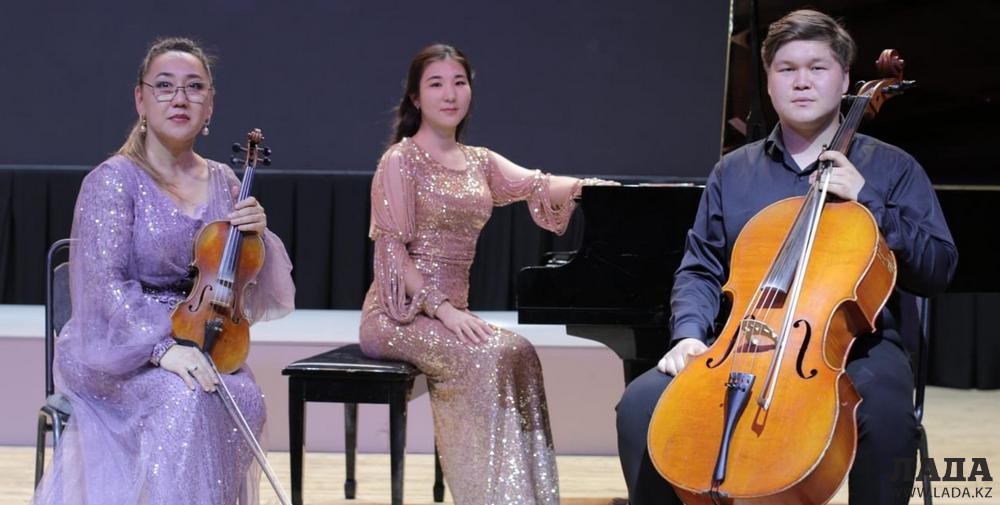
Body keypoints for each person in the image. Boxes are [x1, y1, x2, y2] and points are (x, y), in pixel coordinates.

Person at [616, 9, 956, 505]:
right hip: (743, 341)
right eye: (786, 69)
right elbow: (701, 268)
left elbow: (938, 269)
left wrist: (869, 202)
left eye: (817, 68)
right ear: (769, 83)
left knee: (888, 420)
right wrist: (688, 334)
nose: (801, 81)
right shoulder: (733, 171)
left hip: (855, 347)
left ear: (845, 80)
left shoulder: (892, 169)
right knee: (641, 405)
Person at [33, 37, 295, 505]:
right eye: (165, 86)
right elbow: (105, 287)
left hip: (197, 338)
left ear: (210, 104)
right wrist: (160, 349)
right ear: (141, 99)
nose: (180, 98)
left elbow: (243, 287)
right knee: (184, 399)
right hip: (117, 346)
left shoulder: (224, 179)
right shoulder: (113, 181)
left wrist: (258, 234)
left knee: (245, 399)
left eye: (194, 87)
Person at [359, 43, 611, 504]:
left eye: (459, 82)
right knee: (487, 357)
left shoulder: (479, 161)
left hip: (450, 314)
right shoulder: (400, 159)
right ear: (416, 97)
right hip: (400, 316)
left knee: (520, 352)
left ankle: (528, 496)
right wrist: (443, 310)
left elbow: (538, 184)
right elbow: (392, 253)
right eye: (436, 84)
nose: (450, 94)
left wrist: (594, 189)